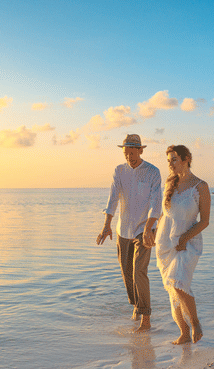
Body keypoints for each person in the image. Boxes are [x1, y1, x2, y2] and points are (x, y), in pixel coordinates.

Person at [96, 134, 162, 332]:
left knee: (139, 271)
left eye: (132, 153)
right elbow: (113, 198)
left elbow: (156, 202)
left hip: (145, 229)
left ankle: (146, 317)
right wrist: (106, 224)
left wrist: (150, 227)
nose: (129, 157)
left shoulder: (152, 172)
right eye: (126, 153)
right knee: (127, 274)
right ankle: (136, 306)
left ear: (141, 150)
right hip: (123, 230)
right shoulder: (119, 171)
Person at [146, 144, 210, 344]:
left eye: (174, 159)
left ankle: (196, 323)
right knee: (172, 288)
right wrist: (152, 233)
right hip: (166, 242)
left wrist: (184, 238)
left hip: (188, 242)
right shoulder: (169, 183)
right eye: (168, 161)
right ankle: (183, 332)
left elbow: (205, 221)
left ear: (186, 158)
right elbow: (166, 215)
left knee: (179, 282)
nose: (170, 164)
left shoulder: (200, 186)